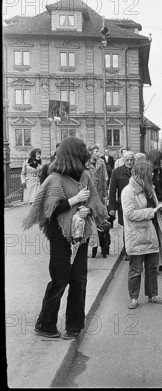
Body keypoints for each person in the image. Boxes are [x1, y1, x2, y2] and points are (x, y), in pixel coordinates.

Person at [22, 137, 108, 339]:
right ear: (74, 155)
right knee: (59, 279)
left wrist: (87, 209)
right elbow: (48, 210)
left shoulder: (85, 176)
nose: (86, 157)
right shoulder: (55, 179)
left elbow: (93, 202)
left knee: (79, 279)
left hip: (80, 233)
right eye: (82, 153)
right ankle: (45, 325)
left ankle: (74, 327)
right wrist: (74, 200)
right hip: (60, 234)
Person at [121, 160, 162, 309]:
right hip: (137, 235)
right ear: (144, 174)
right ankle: (133, 298)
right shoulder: (128, 191)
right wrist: (150, 212)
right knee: (136, 269)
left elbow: (153, 206)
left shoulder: (149, 188)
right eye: (150, 172)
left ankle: (153, 295)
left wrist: (159, 208)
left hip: (152, 231)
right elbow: (129, 214)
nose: (153, 174)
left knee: (152, 267)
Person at [147, 149, 162, 273]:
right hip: (153, 207)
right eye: (160, 159)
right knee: (154, 236)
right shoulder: (149, 174)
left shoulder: (161, 173)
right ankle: (154, 265)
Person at [108, 151, 135, 260]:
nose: (129, 162)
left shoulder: (137, 171)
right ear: (123, 160)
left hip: (136, 205)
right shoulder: (117, 172)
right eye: (127, 160)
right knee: (126, 228)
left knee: (135, 228)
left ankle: (135, 249)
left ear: (134, 160)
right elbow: (113, 191)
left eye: (131, 160)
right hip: (123, 206)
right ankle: (128, 250)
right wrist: (112, 208)